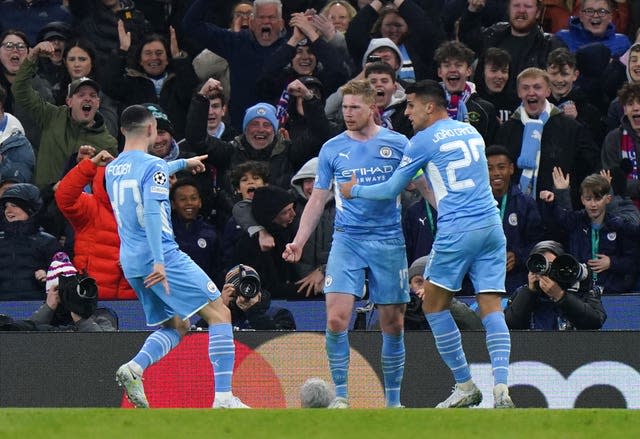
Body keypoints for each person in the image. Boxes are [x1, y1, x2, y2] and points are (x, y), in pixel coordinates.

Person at [339, 79, 515, 408]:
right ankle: (502, 386)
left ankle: (465, 384)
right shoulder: (470, 132)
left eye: (411, 105)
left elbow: (390, 190)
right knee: (491, 306)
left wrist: (354, 190)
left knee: (432, 305)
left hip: (457, 230)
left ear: (430, 107)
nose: (407, 112)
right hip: (491, 226)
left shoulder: (422, 141)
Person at [106, 104, 248, 409]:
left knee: (177, 325)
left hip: (131, 261)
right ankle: (223, 397)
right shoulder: (152, 166)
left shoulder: (112, 169)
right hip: (162, 258)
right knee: (220, 313)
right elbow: (154, 214)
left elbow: (148, 176)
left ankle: (135, 368)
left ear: (122, 130)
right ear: (151, 131)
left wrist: (183, 162)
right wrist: (160, 259)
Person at [283, 79, 411, 409]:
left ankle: (393, 402)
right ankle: (341, 396)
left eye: (355, 107)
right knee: (336, 319)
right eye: (344, 108)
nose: (348, 113)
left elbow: (423, 186)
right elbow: (316, 200)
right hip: (348, 240)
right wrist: (298, 241)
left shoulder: (398, 144)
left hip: (388, 241)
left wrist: (448, 219)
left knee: (393, 323)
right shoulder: (332, 148)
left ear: (373, 108)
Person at [494, 68, 599, 216]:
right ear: (519, 93)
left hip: (559, 211)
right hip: (517, 212)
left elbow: (589, 165)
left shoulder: (570, 128)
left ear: (548, 91)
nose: (531, 92)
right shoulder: (507, 130)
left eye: (537, 87)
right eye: (525, 88)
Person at [14, 43, 118, 188]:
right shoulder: (51, 115)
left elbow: (108, 185)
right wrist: (32, 57)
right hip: (45, 201)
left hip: (80, 205)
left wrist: (85, 165)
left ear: (98, 103)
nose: (87, 99)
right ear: (69, 101)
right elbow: (20, 90)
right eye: (81, 95)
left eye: (92, 95)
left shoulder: (108, 143)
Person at [183, 0, 287, 129]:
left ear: (281, 23)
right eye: (261, 17)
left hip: (283, 131)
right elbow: (191, 25)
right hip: (240, 132)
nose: (266, 21)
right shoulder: (236, 42)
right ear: (252, 23)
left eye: (271, 17)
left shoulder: (293, 47)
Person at [54, 149, 136, 300]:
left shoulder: (141, 210)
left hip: (132, 297)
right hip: (89, 297)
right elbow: (64, 196)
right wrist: (91, 164)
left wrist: (138, 264)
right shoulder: (90, 206)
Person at [539, 170, 639, 294]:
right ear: (582, 200)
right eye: (588, 199)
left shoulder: (619, 226)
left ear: (608, 199)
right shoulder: (575, 221)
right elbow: (556, 218)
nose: (593, 204)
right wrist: (550, 201)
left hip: (613, 294)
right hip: (581, 294)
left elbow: (633, 263)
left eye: (598, 199)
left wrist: (611, 263)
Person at [459, 0, 566, 98]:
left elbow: (562, 83)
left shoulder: (550, 45)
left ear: (538, 12)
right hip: (489, 109)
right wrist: (473, 11)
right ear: (508, 9)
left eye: (527, 6)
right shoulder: (493, 34)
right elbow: (468, 39)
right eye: (516, 5)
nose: (521, 10)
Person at [504, 240, 607, 329]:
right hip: (535, 349)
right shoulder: (524, 293)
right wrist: (530, 292)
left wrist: (560, 296)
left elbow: (595, 322)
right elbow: (509, 325)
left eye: (552, 265)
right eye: (542, 265)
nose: (548, 271)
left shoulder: (579, 289)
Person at [486, 145, 544, 294]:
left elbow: (538, 244)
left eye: (501, 167)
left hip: (517, 282)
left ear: (511, 169)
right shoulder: (475, 205)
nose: (496, 173)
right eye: (489, 168)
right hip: (483, 279)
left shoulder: (526, 204)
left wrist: (518, 256)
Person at [0, 183, 60, 300]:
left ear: (30, 210)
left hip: (38, 307)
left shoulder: (48, 242)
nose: (8, 210)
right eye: (6, 206)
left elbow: (64, 277)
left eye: (14, 205)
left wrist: (48, 276)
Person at [195, 263, 296, 330]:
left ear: (258, 287)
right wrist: (219, 308)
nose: (246, 291)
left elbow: (281, 344)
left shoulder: (280, 314)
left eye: (250, 286)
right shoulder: (222, 318)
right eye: (239, 289)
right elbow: (194, 339)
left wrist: (253, 311)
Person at [434, 40, 498, 144]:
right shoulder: (430, 105)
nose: (452, 70)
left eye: (458, 65)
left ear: (469, 71)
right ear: (440, 72)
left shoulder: (485, 109)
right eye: (447, 65)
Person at [555, 0, 630, 57]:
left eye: (602, 11)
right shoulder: (561, 39)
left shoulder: (622, 43)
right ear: (581, 16)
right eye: (589, 11)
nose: (596, 15)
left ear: (610, 17)